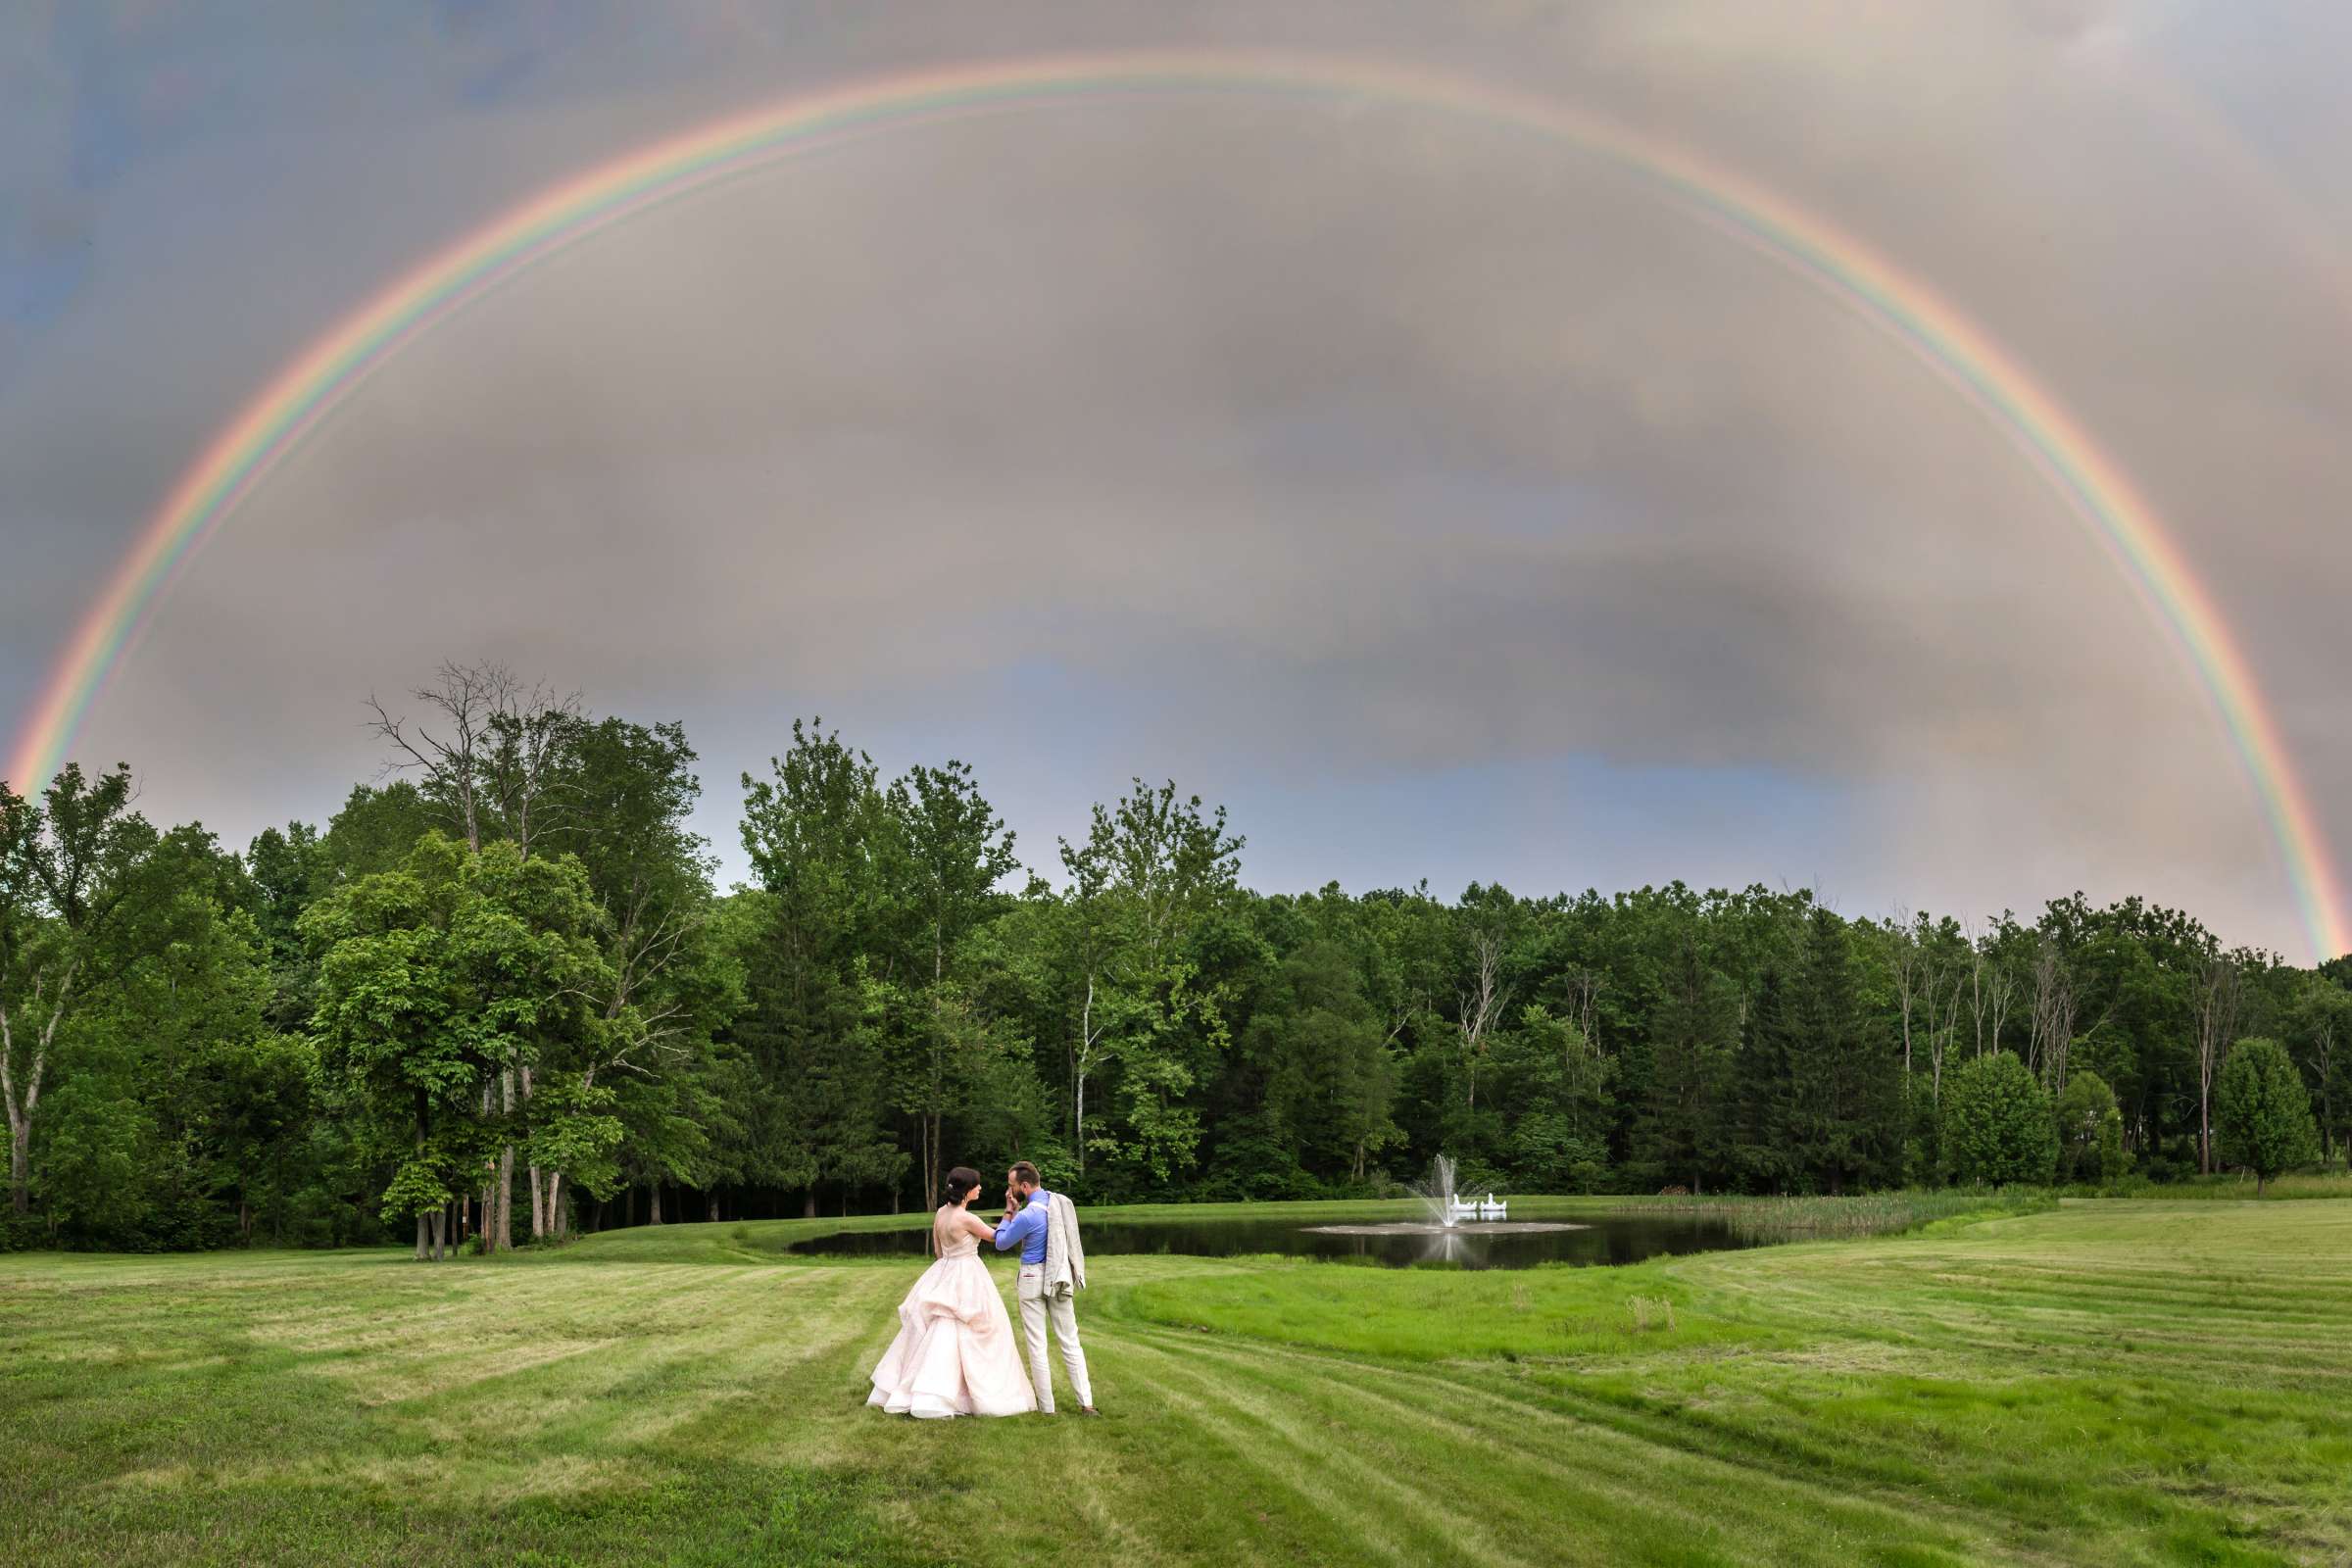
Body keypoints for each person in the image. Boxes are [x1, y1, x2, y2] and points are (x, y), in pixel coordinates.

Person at [866, 1167, 1038, 1419]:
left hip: (943, 1270)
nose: (980, 1188)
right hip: (967, 1273)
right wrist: (1009, 1211)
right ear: (967, 1191)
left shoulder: (941, 1213)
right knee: (975, 1328)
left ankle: (920, 1385)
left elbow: (938, 1251)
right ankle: (955, 1392)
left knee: (937, 1329)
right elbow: (997, 1237)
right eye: (977, 1186)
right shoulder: (966, 1218)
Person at [993, 1160, 1096, 1415]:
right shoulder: (1057, 1202)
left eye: (1011, 1186)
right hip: (1059, 1274)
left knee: (1037, 1345)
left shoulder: (1028, 1215)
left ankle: (1048, 1409)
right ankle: (1087, 1404)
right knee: (1071, 1341)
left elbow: (1001, 1243)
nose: (1009, 1190)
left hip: (1032, 1278)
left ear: (1024, 1186)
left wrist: (1009, 1212)